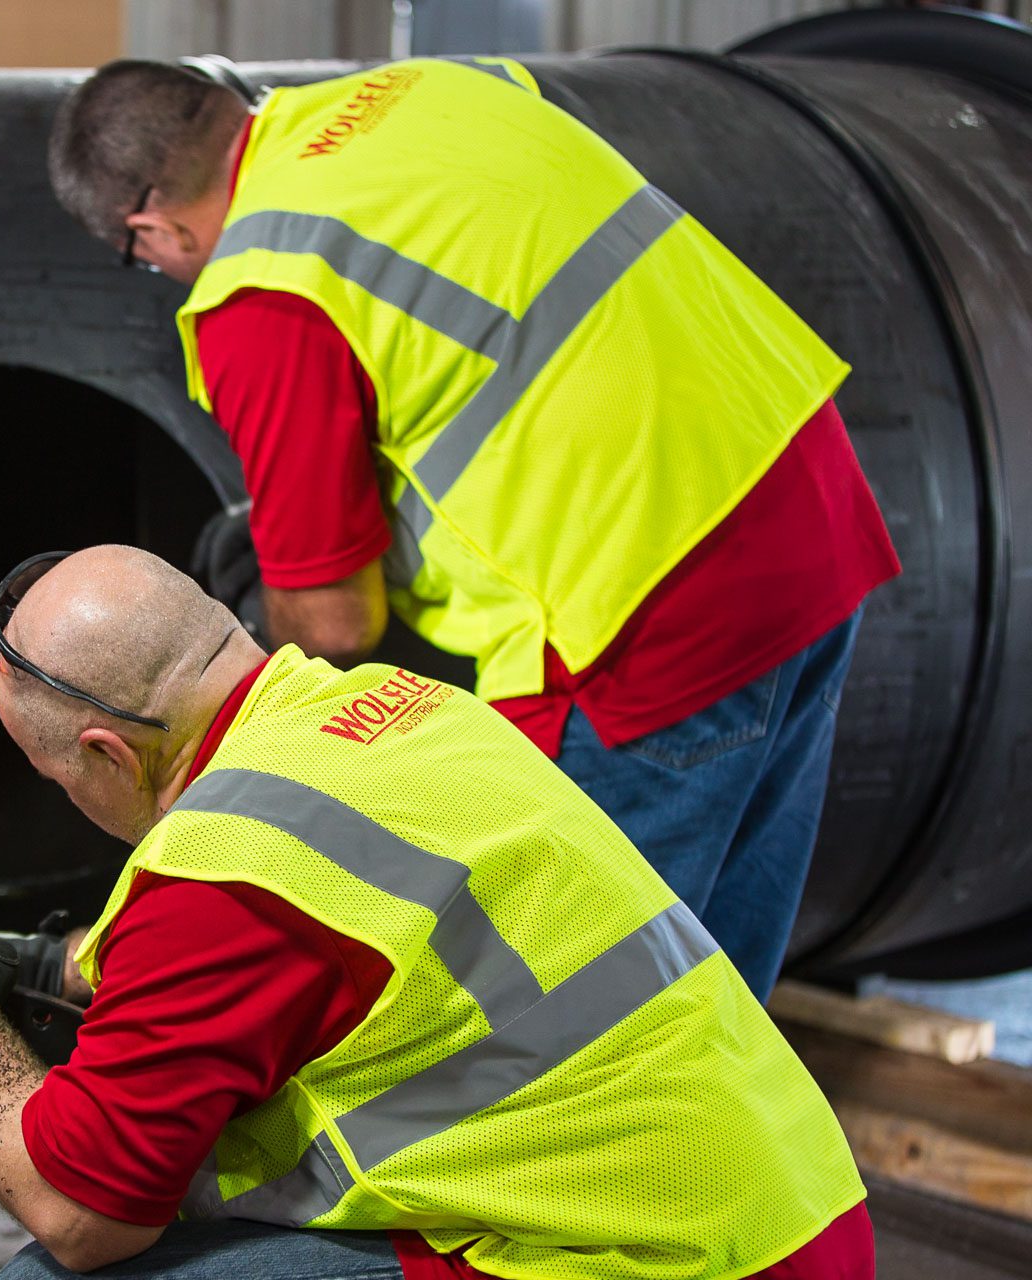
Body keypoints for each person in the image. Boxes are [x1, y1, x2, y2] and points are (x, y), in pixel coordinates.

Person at [45, 58, 900, 998]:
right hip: (800, 495)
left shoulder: (263, 294)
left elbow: (332, 625)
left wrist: (263, 612)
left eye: (147, 262)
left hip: (641, 618)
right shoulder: (434, 87)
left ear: (150, 226)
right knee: (720, 995)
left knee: (583, 1013)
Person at [0, 544, 873, 1280]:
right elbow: (298, 936)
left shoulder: (220, 878)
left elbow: (78, 1209)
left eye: (54, 772)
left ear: (105, 754)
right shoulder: (403, 712)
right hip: (788, 1215)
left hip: (636, 1262)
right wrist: (45, 960)